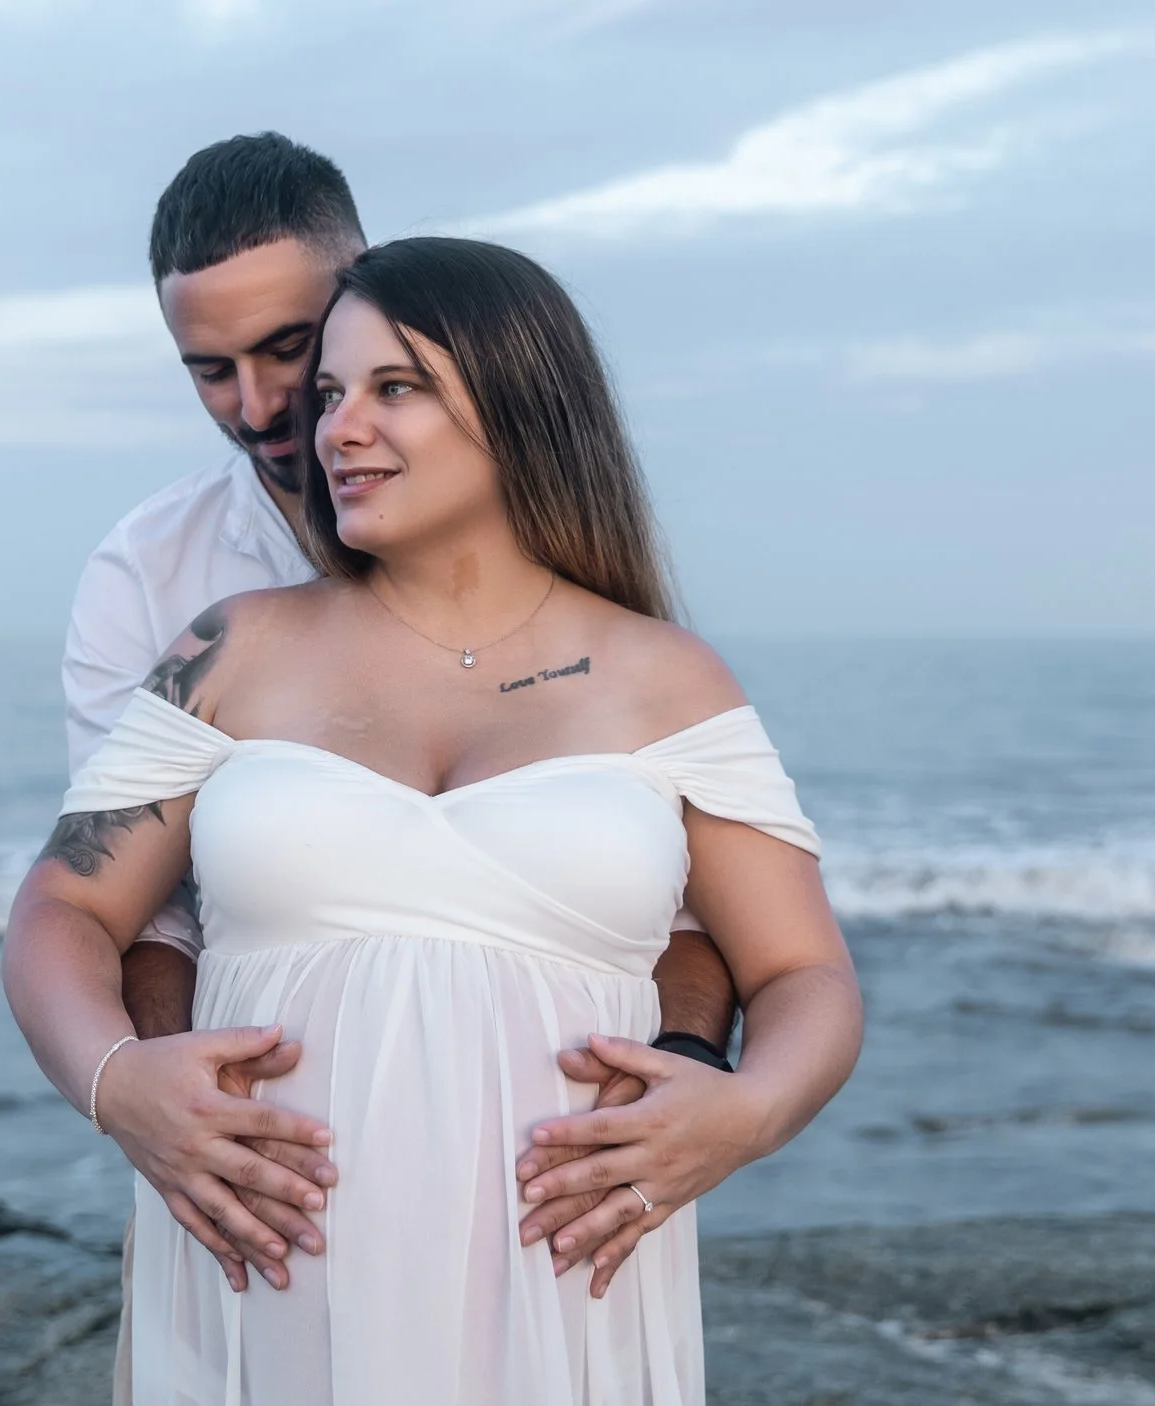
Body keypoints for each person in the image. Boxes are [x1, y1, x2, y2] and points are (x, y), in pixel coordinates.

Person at [10, 236, 863, 1402]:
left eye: (393, 387)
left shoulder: (668, 677)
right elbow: (63, 905)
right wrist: (119, 1082)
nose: (336, 428)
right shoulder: (231, 645)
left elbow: (804, 971)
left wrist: (748, 1111)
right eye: (330, 394)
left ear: (519, 404)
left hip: (562, 1274)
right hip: (264, 1259)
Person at [64, 132, 747, 1299]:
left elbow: (687, 898)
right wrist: (170, 1106)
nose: (260, 406)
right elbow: (131, 911)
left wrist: (685, 1082)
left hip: (552, 1205)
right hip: (274, 1199)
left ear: (370, 296)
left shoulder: (587, 605)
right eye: (209, 369)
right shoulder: (148, 580)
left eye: (290, 350)